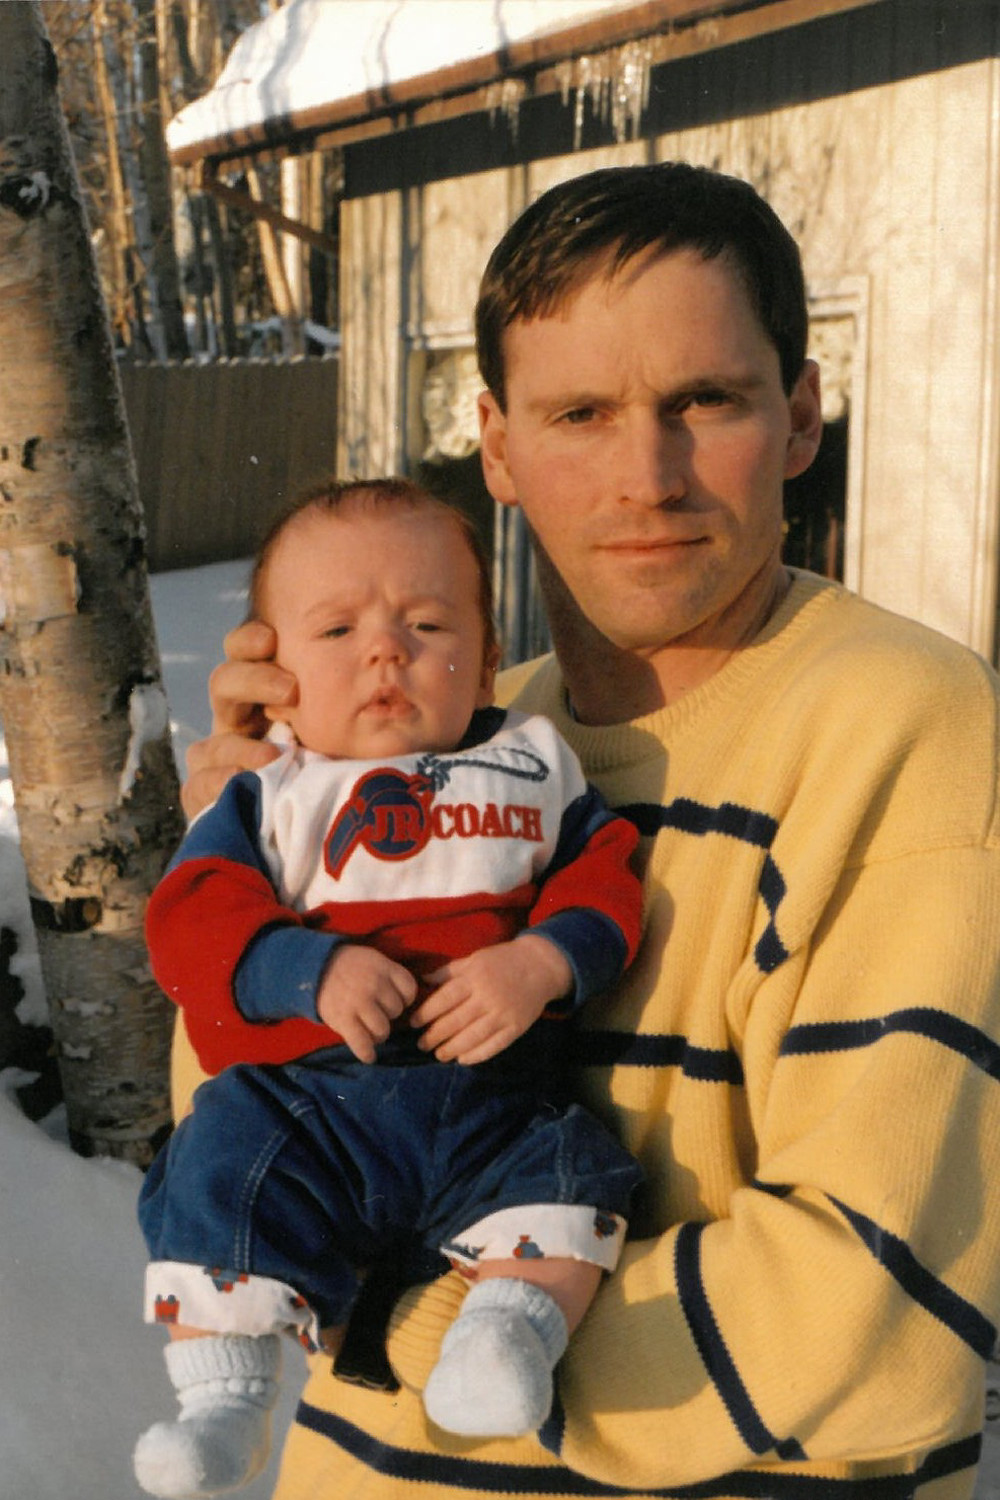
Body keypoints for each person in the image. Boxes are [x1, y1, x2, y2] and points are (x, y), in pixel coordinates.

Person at [179, 163, 1000, 1500]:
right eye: (580, 413)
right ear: (498, 447)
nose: (647, 476)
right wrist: (251, 852)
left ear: (799, 414)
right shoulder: (461, 750)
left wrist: (404, 1320)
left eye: (706, 402)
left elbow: (878, 1304)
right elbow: (243, 1125)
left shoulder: (902, 727)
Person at [134, 477, 644, 1499]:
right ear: (273, 677)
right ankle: (223, 1402)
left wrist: (542, 961)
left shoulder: (531, 767)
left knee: (573, 1174)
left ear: (489, 658)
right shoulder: (268, 794)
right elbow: (188, 925)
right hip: (303, 1110)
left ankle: (503, 1338)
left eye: (425, 622)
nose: (385, 651)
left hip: (489, 1101)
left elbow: (607, 883)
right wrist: (303, 968)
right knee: (216, 1169)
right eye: (334, 630)